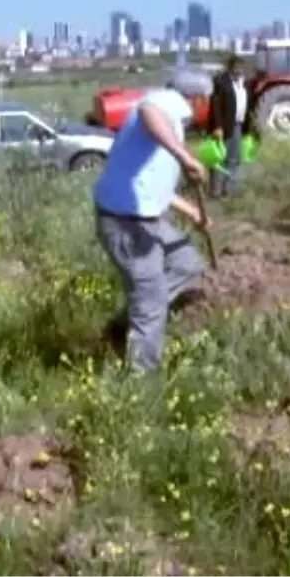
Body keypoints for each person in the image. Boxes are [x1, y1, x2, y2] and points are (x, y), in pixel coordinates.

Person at [92, 67, 212, 374]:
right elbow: (150, 110)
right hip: (126, 223)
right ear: (198, 99)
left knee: (186, 261)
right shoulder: (167, 102)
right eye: (207, 102)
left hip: (143, 217)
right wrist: (185, 157)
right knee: (151, 300)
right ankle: (141, 382)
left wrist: (194, 213)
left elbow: (156, 186)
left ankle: (124, 324)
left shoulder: (170, 120)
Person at [207, 56, 249, 197]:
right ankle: (215, 192)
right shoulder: (221, 82)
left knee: (234, 158)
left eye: (241, 67)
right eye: (236, 67)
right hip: (223, 127)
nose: (239, 70)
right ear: (230, 68)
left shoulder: (244, 84)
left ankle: (229, 190)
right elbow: (216, 106)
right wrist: (218, 126)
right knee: (219, 159)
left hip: (238, 124)